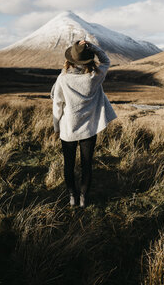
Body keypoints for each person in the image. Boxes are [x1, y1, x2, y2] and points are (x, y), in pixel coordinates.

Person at [51, 40, 117, 208]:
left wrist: (56, 128)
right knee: (87, 164)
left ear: (70, 59)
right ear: (88, 60)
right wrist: (91, 47)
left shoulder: (63, 79)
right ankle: (83, 199)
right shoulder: (95, 76)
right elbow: (106, 61)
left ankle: (72, 197)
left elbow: (57, 104)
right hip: (89, 129)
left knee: (69, 164)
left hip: (68, 130)